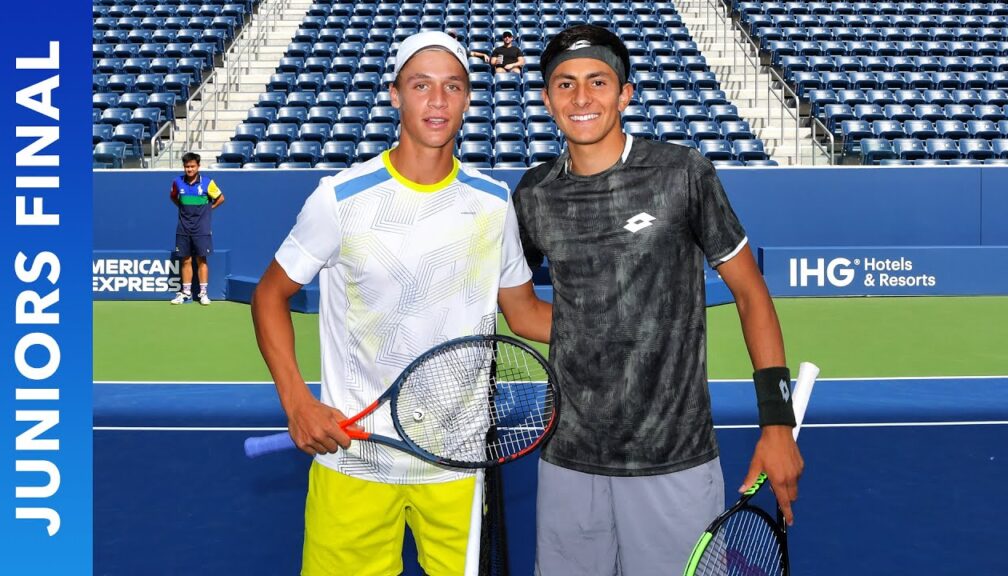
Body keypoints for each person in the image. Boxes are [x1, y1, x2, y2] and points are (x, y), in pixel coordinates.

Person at [251, 31, 550, 576]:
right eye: (421, 86)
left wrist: (619, 320)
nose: (437, 101)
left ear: (466, 99)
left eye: (452, 87)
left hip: (457, 469)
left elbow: (525, 312)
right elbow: (270, 294)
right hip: (353, 465)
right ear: (395, 96)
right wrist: (297, 402)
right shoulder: (339, 197)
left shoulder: (493, 202)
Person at [511, 25, 804, 575]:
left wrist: (776, 423)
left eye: (598, 81)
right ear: (547, 99)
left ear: (625, 94)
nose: (581, 98)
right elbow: (522, 310)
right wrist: (610, 329)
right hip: (569, 459)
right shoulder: (532, 195)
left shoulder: (682, 173)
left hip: (675, 459)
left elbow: (749, 293)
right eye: (565, 84)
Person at [170, 152, 224, 305]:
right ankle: (186, 293)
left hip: (202, 229)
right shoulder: (177, 182)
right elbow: (173, 197)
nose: (189, 169)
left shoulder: (208, 182)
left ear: (198, 166)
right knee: (185, 260)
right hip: (183, 228)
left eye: (192, 166)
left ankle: (203, 294)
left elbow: (221, 198)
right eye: (187, 166)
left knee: (202, 259)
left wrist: (208, 208)